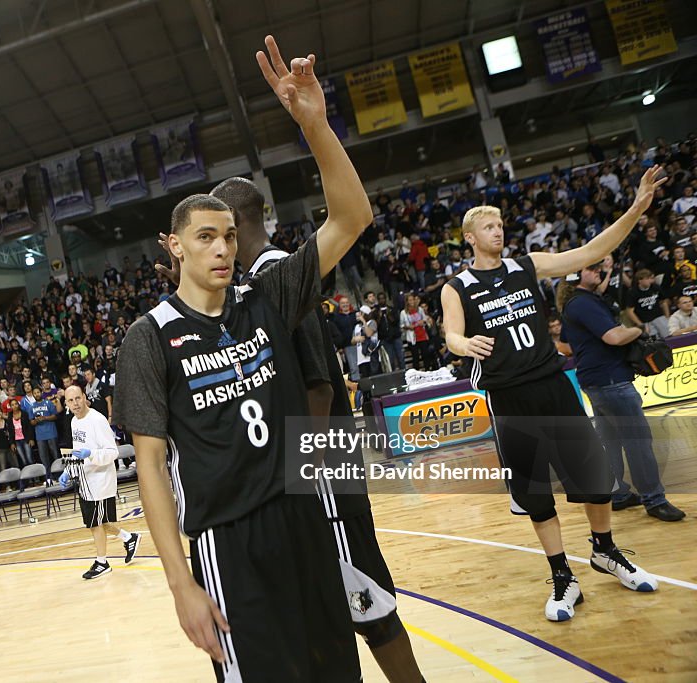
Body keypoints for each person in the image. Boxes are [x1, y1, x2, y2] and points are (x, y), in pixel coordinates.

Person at [114, 35, 372, 680]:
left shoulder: (269, 294)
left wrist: (313, 123)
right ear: (172, 246)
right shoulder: (148, 337)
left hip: (305, 515)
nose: (222, 248)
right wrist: (179, 583)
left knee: (338, 670)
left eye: (229, 236)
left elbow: (352, 216)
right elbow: (150, 470)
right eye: (206, 237)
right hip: (228, 542)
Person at [209, 175, 424, 681]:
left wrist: (298, 476)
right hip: (316, 468)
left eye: (219, 227)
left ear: (237, 225)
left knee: (367, 603)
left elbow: (320, 388)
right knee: (328, 609)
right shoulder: (254, 286)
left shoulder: (279, 274)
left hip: (323, 472)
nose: (216, 239)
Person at [441, 165, 666, 622]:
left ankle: (605, 551)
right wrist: (465, 345)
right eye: (488, 226)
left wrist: (637, 206)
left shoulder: (528, 265)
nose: (498, 231)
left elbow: (591, 250)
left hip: (553, 386)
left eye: (501, 225)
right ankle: (563, 575)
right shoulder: (456, 287)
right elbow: (451, 336)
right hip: (509, 398)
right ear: (470, 237)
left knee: (594, 479)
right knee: (536, 494)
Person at [558, 266, 685, 522]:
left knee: (611, 443)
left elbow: (565, 345)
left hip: (596, 381)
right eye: (591, 269)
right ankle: (654, 499)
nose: (599, 272)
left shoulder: (575, 304)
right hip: (611, 381)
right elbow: (614, 337)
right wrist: (639, 330)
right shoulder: (584, 303)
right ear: (576, 276)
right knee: (638, 442)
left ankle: (618, 495)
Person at [60, 386, 140, 579]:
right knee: (96, 522)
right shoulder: (73, 422)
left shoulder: (97, 419)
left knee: (96, 523)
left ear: (84, 397)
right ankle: (129, 538)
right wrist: (68, 470)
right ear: (67, 404)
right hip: (85, 479)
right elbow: (78, 451)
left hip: (101, 480)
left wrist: (92, 454)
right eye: (71, 401)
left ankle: (102, 562)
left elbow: (113, 452)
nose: (75, 403)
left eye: (78, 398)